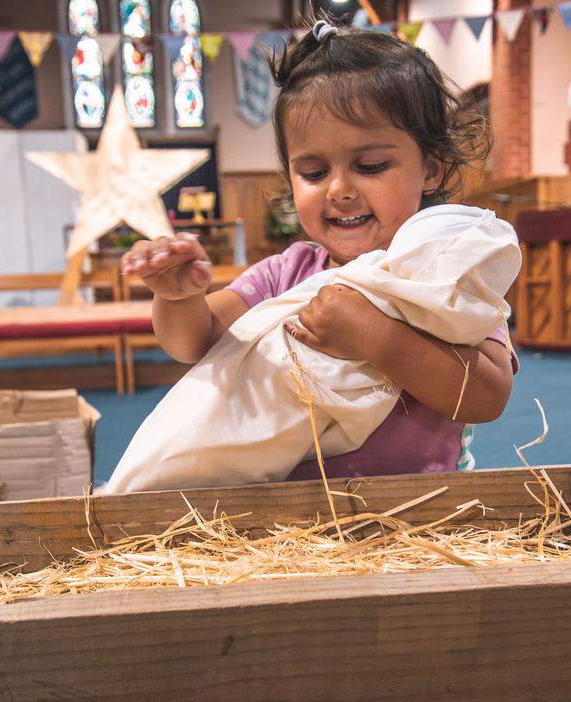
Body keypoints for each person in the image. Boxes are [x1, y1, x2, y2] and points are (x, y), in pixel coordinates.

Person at [107, 20, 520, 493]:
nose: (339, 189)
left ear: (429, 169)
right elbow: (193, 343)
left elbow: (487, 396)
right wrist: (180, 299)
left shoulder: (449, 268)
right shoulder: (287, 274)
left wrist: (374, 333)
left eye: (370, 166)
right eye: (313, 173)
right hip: (289, 515)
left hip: (417, 509)